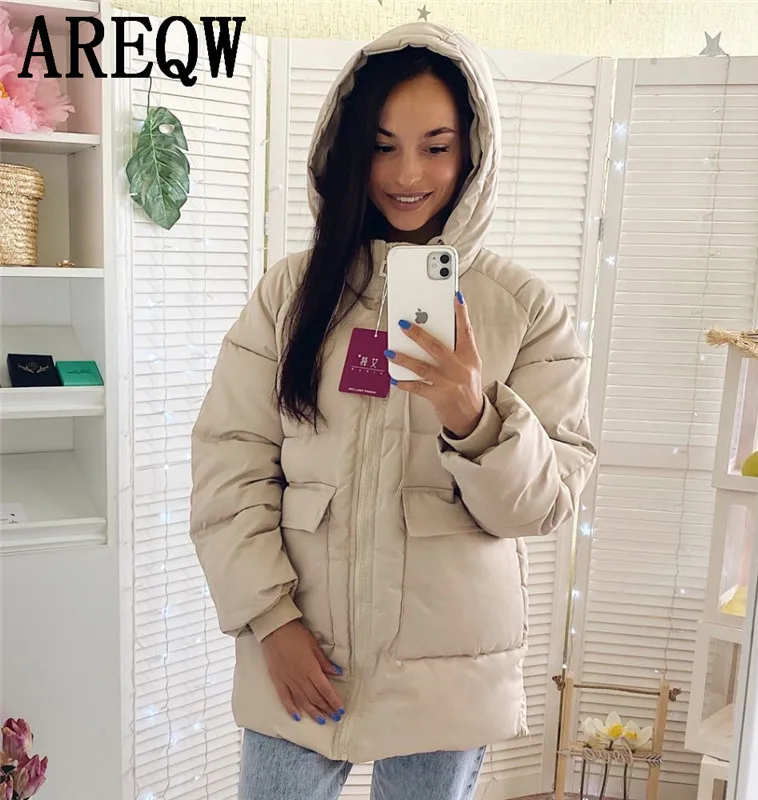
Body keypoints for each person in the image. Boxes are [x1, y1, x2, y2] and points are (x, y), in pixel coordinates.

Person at [190, 20, 597, 800]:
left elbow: (542, 505)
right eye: (383, 146)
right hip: (301, 650)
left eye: (435, 146)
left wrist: (473, 415)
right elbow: (229, 465)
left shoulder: (524, 309)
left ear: (472, 153)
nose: (407, 173)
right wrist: (270, 620)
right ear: (350, 151)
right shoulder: (291, 294)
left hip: (449, 671)